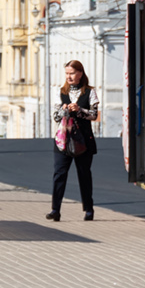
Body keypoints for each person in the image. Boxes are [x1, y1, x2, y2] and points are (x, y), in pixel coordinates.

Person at [48, 60, 99, 222]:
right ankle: (55, 209)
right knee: (59, 174)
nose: (69, 77)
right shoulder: (61, 92)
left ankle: (88, 209)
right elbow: (55, 117)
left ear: (80, 74)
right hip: (63, 139)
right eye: (67, 73)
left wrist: (80, 110)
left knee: (84, 174)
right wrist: (63, 111)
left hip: (83, 139)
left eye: (72, 73)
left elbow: (94, 115)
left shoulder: (90, 92)